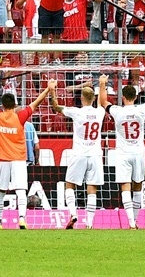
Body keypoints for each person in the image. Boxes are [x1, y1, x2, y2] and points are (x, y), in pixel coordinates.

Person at [0, 74, 53, 230]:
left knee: (0, 191)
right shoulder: (20, 117)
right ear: (14, 105)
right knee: (21, 190)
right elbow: (35, 103)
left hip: (3, 160)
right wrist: (47, 89)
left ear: (3, 105)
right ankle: (21, 219)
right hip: (19, 160)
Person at [49, 75, 106, 230]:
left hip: (79, 153)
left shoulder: (76, 112)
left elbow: (56, 107)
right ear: (93, 98)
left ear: (81, 98)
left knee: (70, 185)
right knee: (92, 188)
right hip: (95, 154)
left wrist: (52, 90)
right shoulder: (100, 113)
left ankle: (73, 214)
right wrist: (102, 84)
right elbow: (103, 101)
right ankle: (89, 223)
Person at [101, 70, 145, 229]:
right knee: (138, 185)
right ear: (136, 97)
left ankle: (131, 221)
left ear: (123, 97)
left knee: (125, 186)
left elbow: (104, 102)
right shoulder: (141, 110)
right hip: (139, 152)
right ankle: (136, 220)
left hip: (123, 154)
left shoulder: (118, 111)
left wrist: (103, 83)